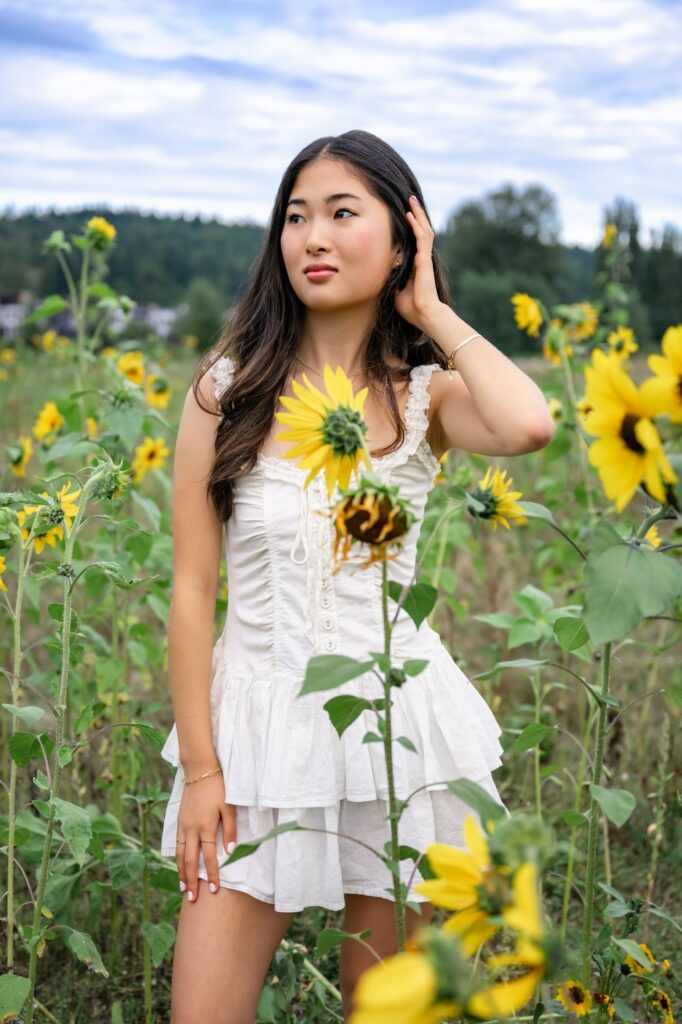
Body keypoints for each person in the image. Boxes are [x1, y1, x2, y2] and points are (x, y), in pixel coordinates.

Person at [158, 129, 555, 1023]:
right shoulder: (226, 394)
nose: (314, 238)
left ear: (404, 237)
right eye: (297, 217)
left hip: (399, 732)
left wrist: (434, 315)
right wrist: (202, 770)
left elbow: (531, 425)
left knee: (391, 1011)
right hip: (250, 742)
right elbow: (191, 589)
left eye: (344, 213)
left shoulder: (426, 397)